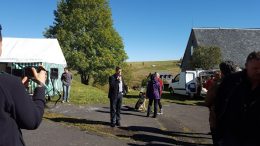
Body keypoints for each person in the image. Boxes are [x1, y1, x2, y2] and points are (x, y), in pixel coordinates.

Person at [0, 24, 47, 146]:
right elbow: (32, 120)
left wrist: (16, 91)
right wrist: (40, 86)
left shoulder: (10, 85)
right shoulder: (9, 83)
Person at [215, 52, 260, 146]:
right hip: (231, 135)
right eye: (255, 68)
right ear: (246, 66)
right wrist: (220, 135)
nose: (259, 71)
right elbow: (219, 104)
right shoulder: (231, 81)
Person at [205, 61, 237, 146]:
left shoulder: (218, 84)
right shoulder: (242, 83)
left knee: (218, 141)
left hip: (218, 121)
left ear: (221, 72)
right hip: (238, 122)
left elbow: (207, 101)